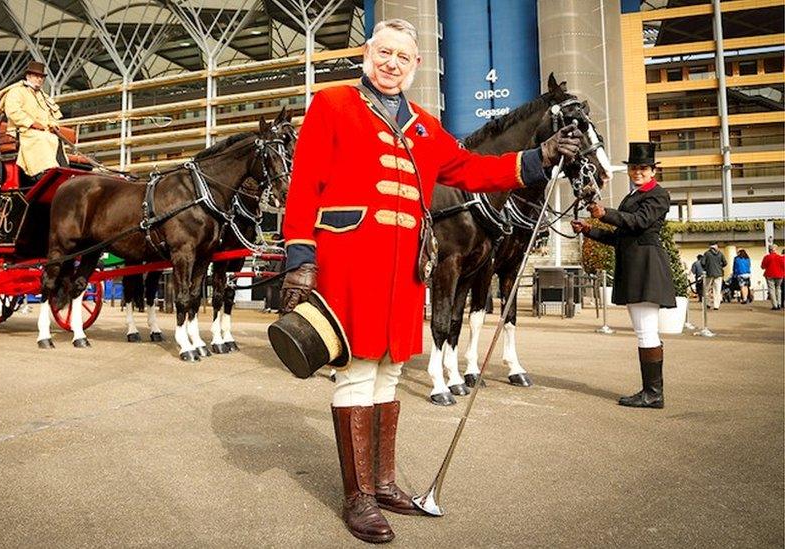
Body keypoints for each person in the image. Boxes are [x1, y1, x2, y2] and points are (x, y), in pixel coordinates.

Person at [280, 18, 582, 544]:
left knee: (391, 370)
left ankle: (383, 482)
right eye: (384, 53)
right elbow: (305, 182)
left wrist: (539, 158)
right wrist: (300, 256)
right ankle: (358, 498)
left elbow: (469, 167)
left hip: (406, 267)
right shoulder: (332, 105)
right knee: (355, 371)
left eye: (403, 56)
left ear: (417, 66)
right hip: (348, 257)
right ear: (367, 56)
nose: (392, 63)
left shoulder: (422, 123)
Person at [571, 142, 673, 409]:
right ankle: (651, 391)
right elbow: (620, 236)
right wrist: (588, 229)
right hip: (634, 266)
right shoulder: (632, 197)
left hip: (646, 267)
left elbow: (638, 222)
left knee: (646, 332)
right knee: (644, 331)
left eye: (643, 168)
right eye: (634, 168)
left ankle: (653, 393)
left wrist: (604, 213)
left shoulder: (658, 195)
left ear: (653, 171)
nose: (638, 172)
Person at [0, 61, 66, 181]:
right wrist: (31, 123)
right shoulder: (16, 91)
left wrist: (53, 125)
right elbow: (13, 111)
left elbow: (50, 115)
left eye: (41, 77)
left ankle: (63, 171)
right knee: (43, 139)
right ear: (28, 76)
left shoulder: (43, 96)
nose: (39, 80)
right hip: (23, 131)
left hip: (43, 132)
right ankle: (43, 172)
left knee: (55, 139)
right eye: (36, 76)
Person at [702, 242, 727, 309]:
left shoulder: (707, 253)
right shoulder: (720, 253)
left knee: (707, 289)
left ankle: (708, 303)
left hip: (709, 273)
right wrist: (719, 266)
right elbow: (725, 263)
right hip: (719, 274)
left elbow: (702, 263)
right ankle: (716, 306)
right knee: (717, 290)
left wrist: (707, 267)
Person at [761, 244, 784, 310]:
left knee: (771, 289)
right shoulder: (780, 257)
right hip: (780, 274)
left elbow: (763, 266)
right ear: (776, 250)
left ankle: (775, 305)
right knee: (778, 288)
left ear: (769, 250)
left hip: (769, 274)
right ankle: (779, 303)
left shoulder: (767, 257)